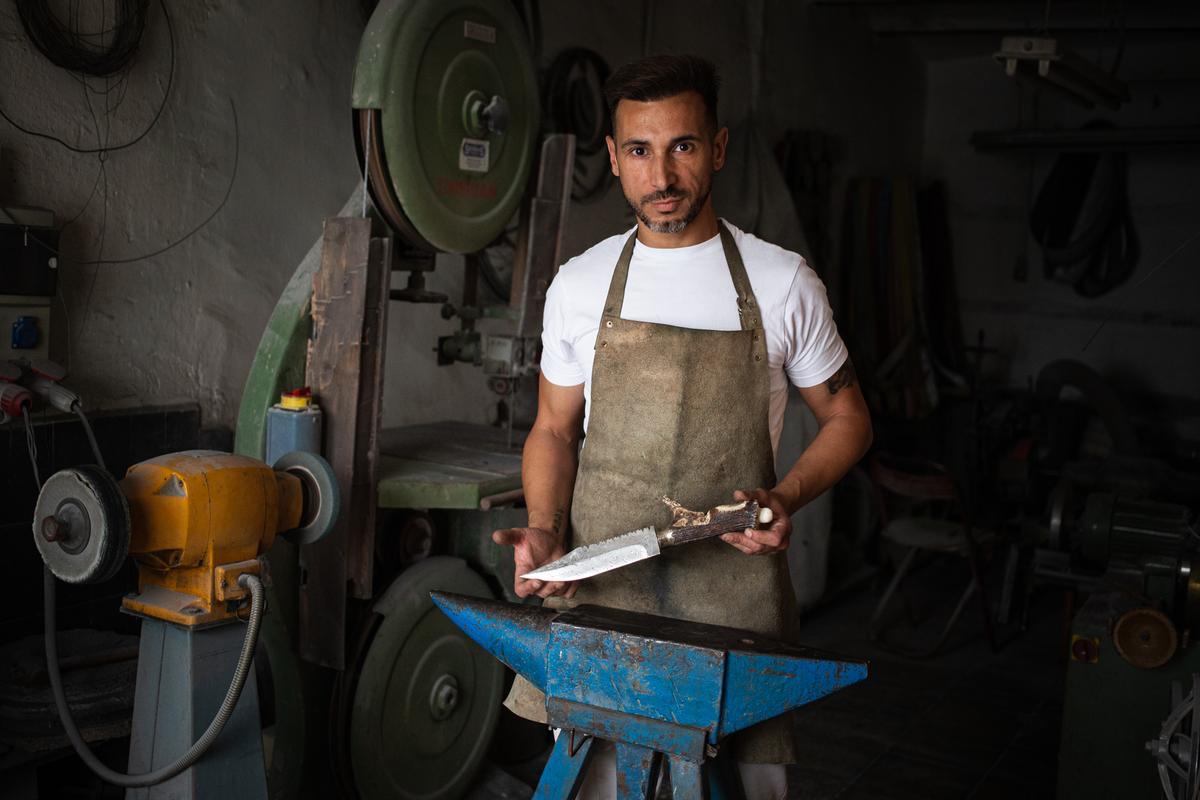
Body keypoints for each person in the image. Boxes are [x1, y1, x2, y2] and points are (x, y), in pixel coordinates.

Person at [492, 53, 873, 799]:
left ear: (719, 148)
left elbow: (848, 418)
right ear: (613, 157)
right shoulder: (580, 284)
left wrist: (786, 495)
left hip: (734, 606)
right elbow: (553, 429)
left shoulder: (781, 282)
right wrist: (543, 527)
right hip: (607, 590)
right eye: (639, 150)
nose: (661, 175)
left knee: (746, 785)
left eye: (683, 147)